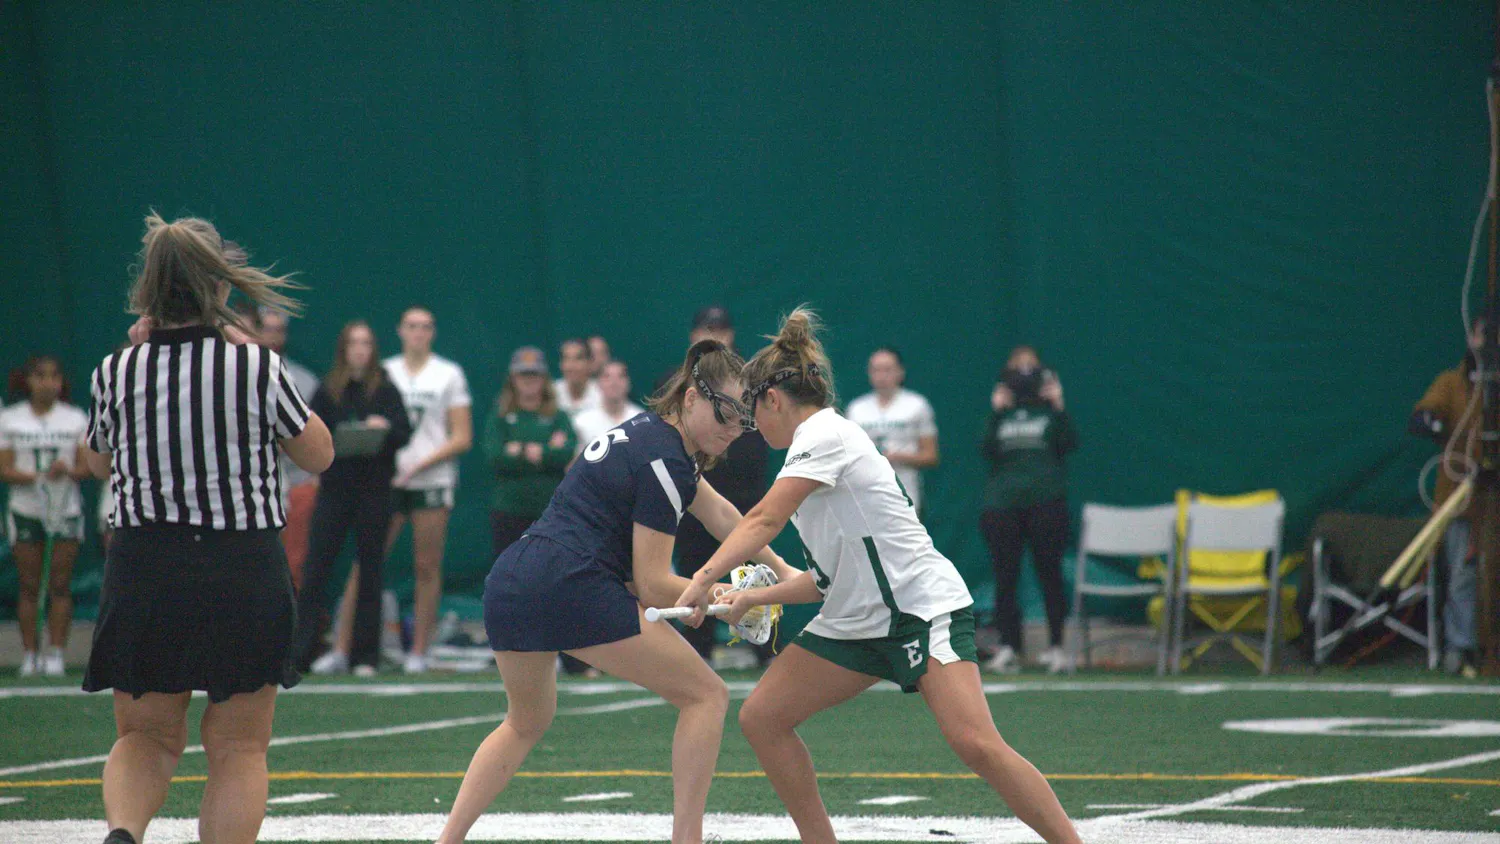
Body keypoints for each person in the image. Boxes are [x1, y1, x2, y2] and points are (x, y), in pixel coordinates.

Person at [673, 309, 1081, 844]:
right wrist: (756, 598)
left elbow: (761, 520)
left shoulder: (825, 432)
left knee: (975, 743)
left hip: (919, 610)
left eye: (753, 409)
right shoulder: (806, 451)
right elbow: (822, 581)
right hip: (857, 621)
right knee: (763, 717)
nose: (752, 423)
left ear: (773, 398)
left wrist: (701, 578)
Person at [436, 340, 797, 844]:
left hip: (514, 577)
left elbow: (720, 516)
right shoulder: (668, 462)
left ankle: (446, 840)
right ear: (691, 398)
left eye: (743, 422)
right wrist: (724, 603)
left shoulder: (651, 434)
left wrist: (778, 568)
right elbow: (652, 585)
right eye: (725, 415)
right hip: (570, 581)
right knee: (706, 696)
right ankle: (686, 839)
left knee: (525, 722)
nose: (733, 431)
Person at [81, 213, 333, 844]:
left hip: (144, 563)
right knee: (239, 746)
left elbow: (95, 458)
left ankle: (124, 832)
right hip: (240, 565)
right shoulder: (254, 367)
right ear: (220, 286)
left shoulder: (118, 370)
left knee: (145, 734)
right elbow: (319, 454)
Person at [322, 306, 473, 675]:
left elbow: (462, 436)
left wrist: (421, 465)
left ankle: (420, 651)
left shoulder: (448, 373)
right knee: (367, 561)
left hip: (431, 481)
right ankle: (342, 647)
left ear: (433, 332)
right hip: (386, 479)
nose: (418, 333)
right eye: (412, 326)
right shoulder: (384, 372)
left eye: (425, 326)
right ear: (400, 331)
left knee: (426, 565)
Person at [290, 321, 411, 676]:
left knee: (372, 570)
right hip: (335, 490)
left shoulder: (386, 390)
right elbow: (308, 432)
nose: (360, 350)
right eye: (354, 344)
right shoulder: (328, 390)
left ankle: (365, 656)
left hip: (374, 491)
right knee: (315, 569)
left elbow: (403, 431)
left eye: (366, 344)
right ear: (344, 349)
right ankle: (301, 652)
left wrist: (382, 431)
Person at [666, 306, 774, 666]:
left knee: (753, 574)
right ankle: (697, 654)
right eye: (706, 330)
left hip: (741, 496)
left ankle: (766, 650)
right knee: (695, 568)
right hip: (694, 497)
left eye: (720, 330)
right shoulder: (677, 385)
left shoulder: (751, 380)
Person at [979, 346, 1078, 675]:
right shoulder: (1003, 414)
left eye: (1029, 367)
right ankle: (1009, 646)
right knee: (1005, 578)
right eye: (1016, 368)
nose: (1023, 373)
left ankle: (1057, 646)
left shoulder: (1050, 414)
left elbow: (1069, 444)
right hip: (1003, 505)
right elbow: (986, 449)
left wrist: (1059, 405)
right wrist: (996, 410)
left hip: (1046, 502)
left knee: (1050, 575)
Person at [0, 355, 93, 677]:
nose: (48, 382)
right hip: (26, 510)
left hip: (63, 508)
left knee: (60, 584)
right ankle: (30, 655)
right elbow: (5, 469)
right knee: (28, 585)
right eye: (40, 376)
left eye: (54, 376)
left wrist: (67, 470)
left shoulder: (74, 418)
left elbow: (87, 467)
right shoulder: (11, 419)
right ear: (28, 380)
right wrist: (36, 476)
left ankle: (56, 654)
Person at [1411, 317, 1485, 675]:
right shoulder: (1452, 384)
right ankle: (1461, 647)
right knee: (1462, 574)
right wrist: (1432, 422)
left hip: (1492, 501)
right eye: (1483, 335)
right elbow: (1424, 415)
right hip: (1461, 501)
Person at [482, 347, 577, 560]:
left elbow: (566, 453)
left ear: (543, 378)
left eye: (534, 374)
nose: (529, 380)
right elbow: (495, 457)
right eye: (523, 374)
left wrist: (521, 450)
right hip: (509, 510)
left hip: (550, 511)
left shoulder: (558, 416)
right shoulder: (500, 416)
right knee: (509, 573)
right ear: (513, 378)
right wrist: (544, 450)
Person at [257, 306, 321, 588]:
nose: (272, 336)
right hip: (249, 484)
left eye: (278, 330)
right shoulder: (228, 373)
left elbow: (314, 440)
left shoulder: (304, 380)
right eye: (266, 328)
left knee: (294, 561)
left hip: (296, 481)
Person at [846, 347, 939, 516]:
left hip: (904, 495)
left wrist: (898, 457)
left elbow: (931, 455)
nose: (881, 376)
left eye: (887, 370)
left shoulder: (917, 405)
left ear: (900, 372)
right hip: (865, 497)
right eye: (876, 370)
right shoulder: (856, 409)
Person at [570, 360, 644, 448]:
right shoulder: (581, 422)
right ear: (598, 383)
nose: (614, 382)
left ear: (628, 383)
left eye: (620, 376)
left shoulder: (640, 419)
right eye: (607, 377)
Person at [554, 337, 602, 417]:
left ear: (590, 363)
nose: (571, 366)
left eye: (578, 359)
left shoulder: (602, 394)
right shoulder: (551, 393)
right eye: (566, 359)